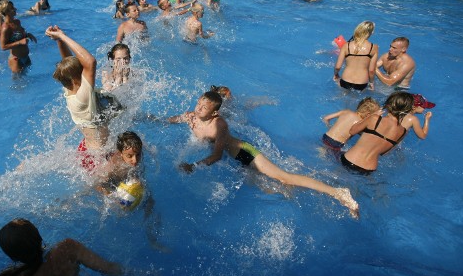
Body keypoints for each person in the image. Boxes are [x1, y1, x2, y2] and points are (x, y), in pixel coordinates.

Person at [168, 91, 359, 217]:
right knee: (270, 187)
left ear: (215, 113)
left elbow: (217, 156)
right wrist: (147, 119)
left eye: (205, 106)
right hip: (236, 160)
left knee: (285, 178)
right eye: (199, 102)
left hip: (247, 153)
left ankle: (338, 192)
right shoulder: (191, 117)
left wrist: (193, 166)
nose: (199, 107)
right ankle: (309, 187)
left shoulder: (219, 125)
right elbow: (170, 120)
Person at [46, 25, 110, 167]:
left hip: (86, 148)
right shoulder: (83, 97)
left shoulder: (69, 90)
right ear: (76, 78)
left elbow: (68, 60)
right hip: (99, 156)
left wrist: (59, 41)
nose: (85, 71)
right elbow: (91, 62)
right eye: (82, 70)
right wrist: (63, 36)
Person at [341, 92, 432, 174]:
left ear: (389, 104)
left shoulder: (375, 119)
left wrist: (371, 116)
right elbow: (384, 152)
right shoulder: (402, 132)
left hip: (350, 160)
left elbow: (352, 130)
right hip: (368, 169)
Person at [333, 21, 379, 91]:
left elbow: (338, 67)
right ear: (371, 32)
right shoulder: (374, 47)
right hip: (362, 82)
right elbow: (372, 70)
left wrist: (336, 74)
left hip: (346, 79)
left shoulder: (346, 45)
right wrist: (371, 82)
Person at [0, 0, 37, 73]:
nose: (15, 9)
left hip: (26, 57)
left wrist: (28, 35)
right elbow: (3, 47)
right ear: (7, 12)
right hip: (16, 60)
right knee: (19, 83)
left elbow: (20, 36)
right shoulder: (6, 27)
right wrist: (20, 42)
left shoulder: (17, 22)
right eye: (12, 8)